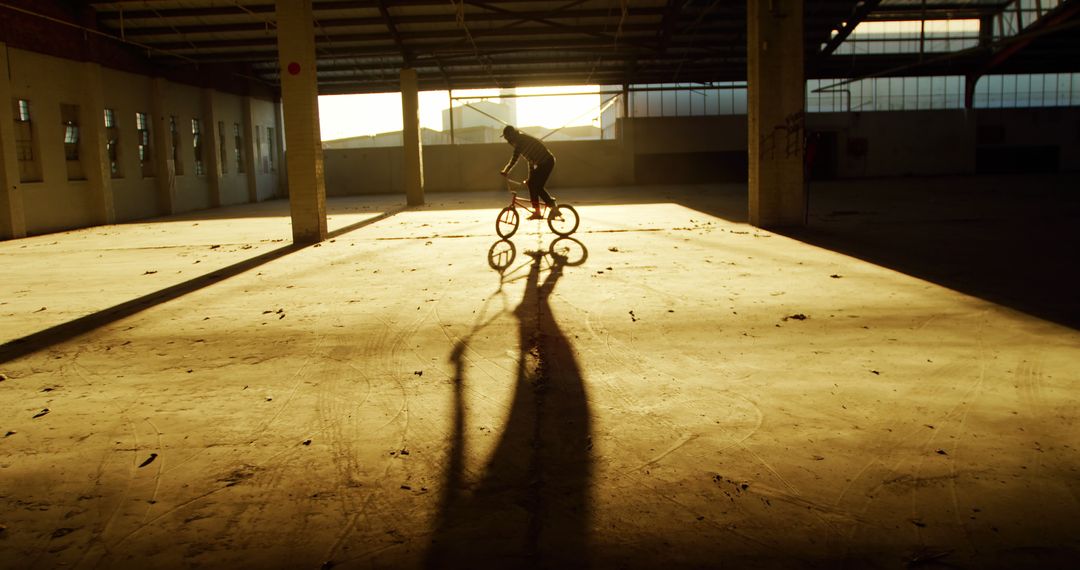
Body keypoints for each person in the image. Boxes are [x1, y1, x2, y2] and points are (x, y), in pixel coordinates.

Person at [499, 125, 558, 219]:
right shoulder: (521, 140)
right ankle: (537, 211)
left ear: (511, 135)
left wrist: (506, 170)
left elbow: (515, 158)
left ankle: (553, 207)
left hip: (547, 162)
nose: (507, 140)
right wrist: (530, 177)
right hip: (543, 163)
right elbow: (530, 161)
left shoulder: (520, 141)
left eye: (507, 137)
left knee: (537, 187)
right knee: (531, 184)